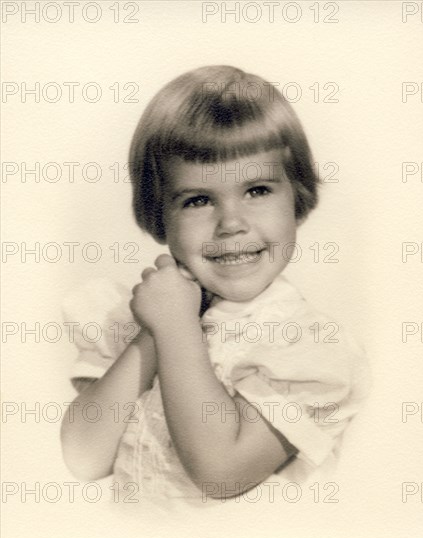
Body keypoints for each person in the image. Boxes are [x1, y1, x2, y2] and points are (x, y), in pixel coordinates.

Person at [61, 65, 371, 505]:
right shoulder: (143, 317)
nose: (231, 224)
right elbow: (82, 460)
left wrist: (174, 329)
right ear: (159, 216)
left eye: (258, 190)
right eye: (198, 200)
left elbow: (222, 473)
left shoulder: (310, 348)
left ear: (297, 198)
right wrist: (152, 335)